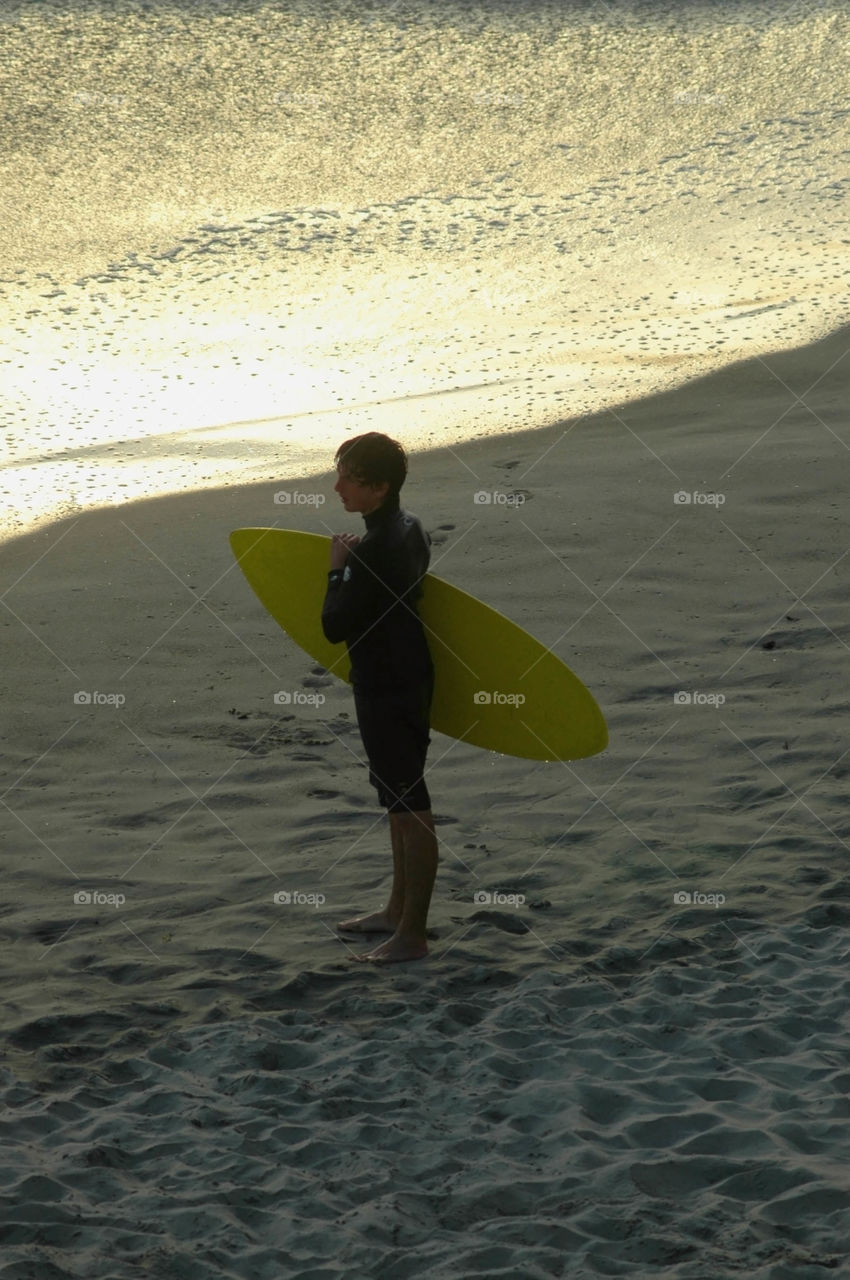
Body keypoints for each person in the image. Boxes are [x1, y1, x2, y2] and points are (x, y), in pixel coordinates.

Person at [321, 432, 438, 963]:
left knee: (410, 806)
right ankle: (396, 912)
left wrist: (336, 566)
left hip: (386, 685)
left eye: (351, 478)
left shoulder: (370, 551)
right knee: (398, 800)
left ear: (380, 487)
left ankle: (412, 935)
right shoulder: (410, 529)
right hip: (409, 674)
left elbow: (333, 624)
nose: (339, 485)